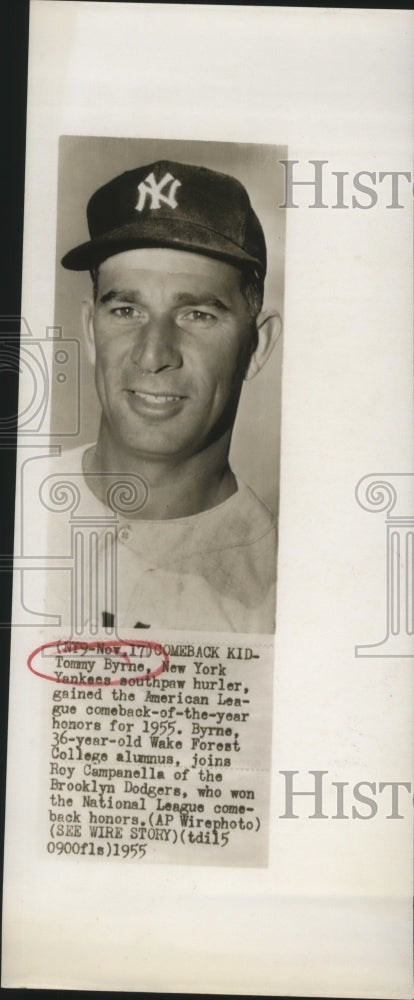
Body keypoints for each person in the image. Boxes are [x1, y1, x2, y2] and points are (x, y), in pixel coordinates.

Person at [56, 159, 280, 634]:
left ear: (256, 348)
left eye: (197, 314)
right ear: (90, 331)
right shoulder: (18, 508)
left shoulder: (292, 592)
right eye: (126, 309)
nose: (154, 354)